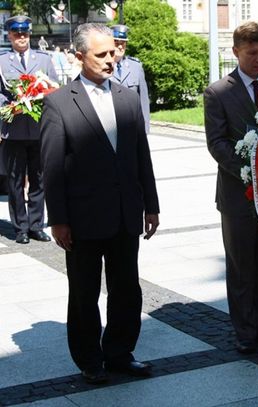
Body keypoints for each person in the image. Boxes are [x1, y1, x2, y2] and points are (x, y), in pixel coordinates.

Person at [40, 23, 160, 384]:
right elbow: (52, 167)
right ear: (80, 56)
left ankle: (120, 353)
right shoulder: (59, 102)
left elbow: (141, 155)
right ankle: (90, 359)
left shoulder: (126, 97)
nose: (111, 59)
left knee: (127, 289)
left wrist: (151, 205)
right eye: (102, 54)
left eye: (114, 52)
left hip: (125, 213)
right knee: (84, 292)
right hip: (83, 217)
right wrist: (58, 219)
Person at [204, 21, 258, 354]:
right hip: (238, 194)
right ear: (236, 52)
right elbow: (217, 142)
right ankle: (245, 331)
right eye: (252, 53)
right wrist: (252, 171)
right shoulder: (218, 92)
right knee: (241, 265)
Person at [0, 16, 58, 244]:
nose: (21, 37)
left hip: (38, 129)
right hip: (13, 130)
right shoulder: (2, 62)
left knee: (39, 179)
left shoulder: (43, 59)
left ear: (30, 34)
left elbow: (53, 88)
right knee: (15, 181)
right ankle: (20, 228)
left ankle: (36, 225)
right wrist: (9, 107)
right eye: (17, 34)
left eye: (25, 33)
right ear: (9, 36)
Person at [110, 24, 151, 134]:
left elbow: (143, 100)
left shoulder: (135, 67)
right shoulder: (102, 67)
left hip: (132, 127)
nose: (120, 47)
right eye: (116, 43)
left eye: (123, 43)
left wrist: (145, 129)